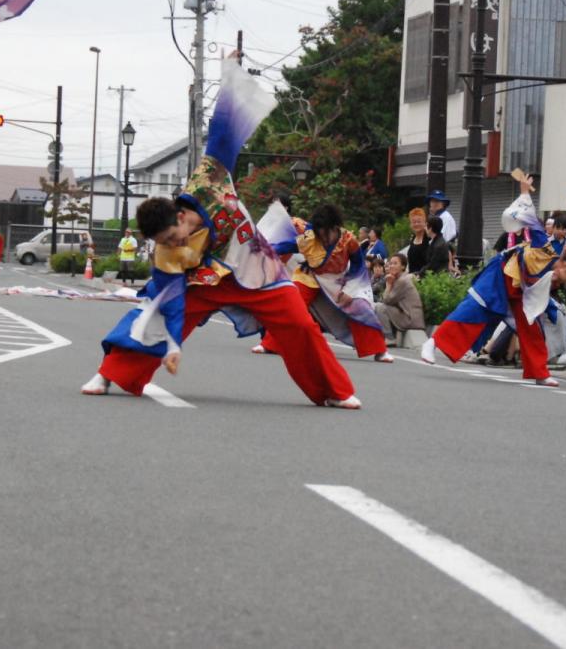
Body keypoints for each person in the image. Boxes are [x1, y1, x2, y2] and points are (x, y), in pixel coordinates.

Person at [81, 57, 361, 409]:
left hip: (258, 269)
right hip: (204, 279)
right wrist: (173, 348)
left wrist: (230, 80)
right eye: (165, 245)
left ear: (179, 216)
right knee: (151, 313)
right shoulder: (167, 255)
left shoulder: (206, 182)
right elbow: (172, 303)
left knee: (301, 326)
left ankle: (333, 391)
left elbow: (222, 133)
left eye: (173, 236)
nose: (173, 245)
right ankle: (108, 375)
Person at [421, 171, 566, 386]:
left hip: (521, 292)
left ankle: (539, 372)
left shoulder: (555, 268)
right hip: (502, 275)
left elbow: (540, 299)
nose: (564, 280)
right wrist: (524, 192)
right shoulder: (544, 246)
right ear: (564, 264)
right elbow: (531, 218)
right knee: (472, 309)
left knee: (531, 326)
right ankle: (432, 343)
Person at [256, 202, 393, 363]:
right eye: (320, 233)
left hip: (340, 280)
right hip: (310, 277)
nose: (323, 238)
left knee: (361, 308)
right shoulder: (310, 238)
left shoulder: (349, 240)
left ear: (335, 227)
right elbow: (286, 246)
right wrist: (264, 248)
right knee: (291, 304)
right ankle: (269, 344)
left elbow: (358, 265)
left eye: (326, 233)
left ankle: (379, 350)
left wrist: (350, 290)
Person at [375, 254, 424, 342]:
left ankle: (389, 338)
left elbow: (386, 301)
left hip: (410, 319)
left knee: (379, 307)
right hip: (409, 317)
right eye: (390, 264)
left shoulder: (402, 281)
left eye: (395, 263)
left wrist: (388, 285)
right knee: (379, 307)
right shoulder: (399, 279)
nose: (392, 266)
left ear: (403, 266)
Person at [404, 207, 430, 275]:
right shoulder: (412, 238)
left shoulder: (429, 238)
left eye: (419, 222)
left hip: (426, 276)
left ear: (425, 223)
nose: (416, 224)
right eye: (414, 222)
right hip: (412, 276)